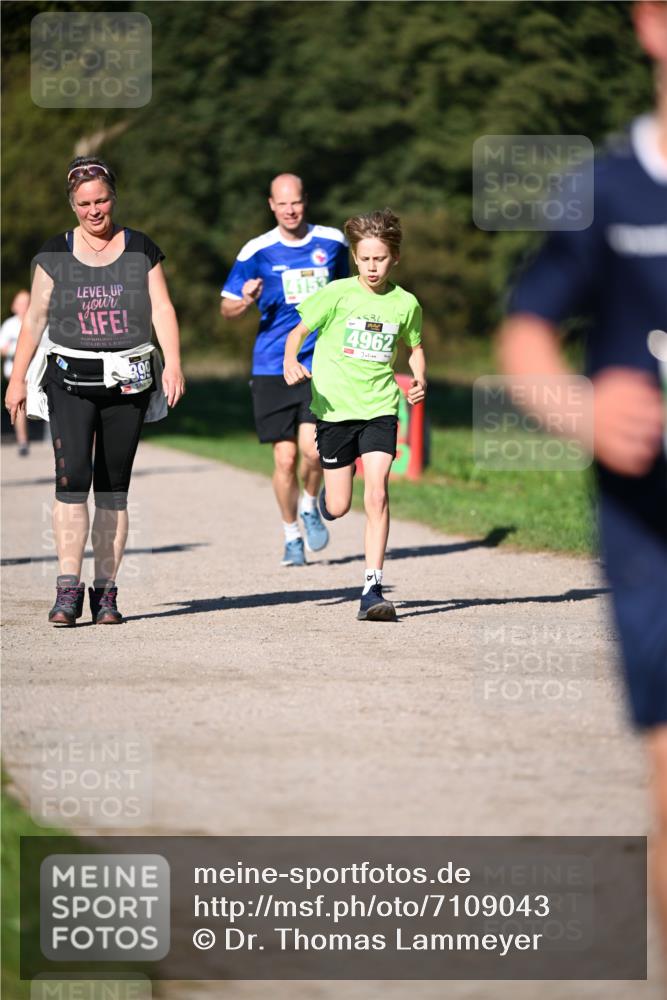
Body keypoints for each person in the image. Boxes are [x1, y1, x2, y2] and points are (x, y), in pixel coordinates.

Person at [497, 0, 667, 946]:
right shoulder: (603, 189)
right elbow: (524, 337)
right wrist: (585, 412)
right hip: (653, 525)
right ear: (650, 23)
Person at [4, 156, 185, 626]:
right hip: (70, 379)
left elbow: (162, 309)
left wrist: (175, 365)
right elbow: (35, 320)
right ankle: (68, 590)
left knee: (112, 490)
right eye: (84, 203)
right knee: (71, 482)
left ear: (114, 198)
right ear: (72, 205)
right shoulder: (55, 252)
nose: (94, 210)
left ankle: (105, 593)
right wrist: (17, 377)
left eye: (101, 199)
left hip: (128, 381)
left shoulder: (140, 248)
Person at [283, 209, 426, 621]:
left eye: (380, 258)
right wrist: (291, 359)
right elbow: (298, 332)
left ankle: (372, 588)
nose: (372, 266)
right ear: (355, 258)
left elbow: (414, 345)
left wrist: (419, 378)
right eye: (365, 259)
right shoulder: (338, 294)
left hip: (380, 407)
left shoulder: (405, 303)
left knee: (378, 490)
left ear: (394, 257)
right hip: (334, 411)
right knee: (342, 505)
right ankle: (324, 502)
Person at [220, 173, 349, 566]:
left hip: (318, 363)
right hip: (272, 364)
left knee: (313, 452)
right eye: (282, 203)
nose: (290, 210)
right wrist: (243, 300)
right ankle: (291, 533)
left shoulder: (332, 243)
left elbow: (352, 292)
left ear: (304, 202)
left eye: (296, 202)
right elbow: (226, 307)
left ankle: (310, 502)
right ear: (271, 205)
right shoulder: (256, 251)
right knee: (284, 460)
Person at [1, 289, 31, 455]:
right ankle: (23, 440)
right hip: (15, 373)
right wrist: (18, 350)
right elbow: (2, 348)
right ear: (14, 306)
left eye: (26, 303)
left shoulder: (39, 322)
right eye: (20, 303)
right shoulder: (9, 325)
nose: (23, 306)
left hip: (35, 373)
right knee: (20, 408)